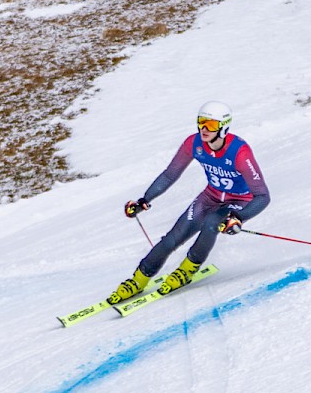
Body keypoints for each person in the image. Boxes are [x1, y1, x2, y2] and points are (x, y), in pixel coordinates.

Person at [108, 100, 270, 303]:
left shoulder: (239, 152)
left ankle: (187, 269)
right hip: (210, 196)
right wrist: (144, 200)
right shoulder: (193, 143)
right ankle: (138, 280)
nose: (204, 129)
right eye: (201, 122)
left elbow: (263, 196)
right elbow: (170, 174)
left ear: (223, 127)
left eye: (211, 124)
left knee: (212, 222)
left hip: (239, 200)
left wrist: (239, 217)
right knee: (173, 237)